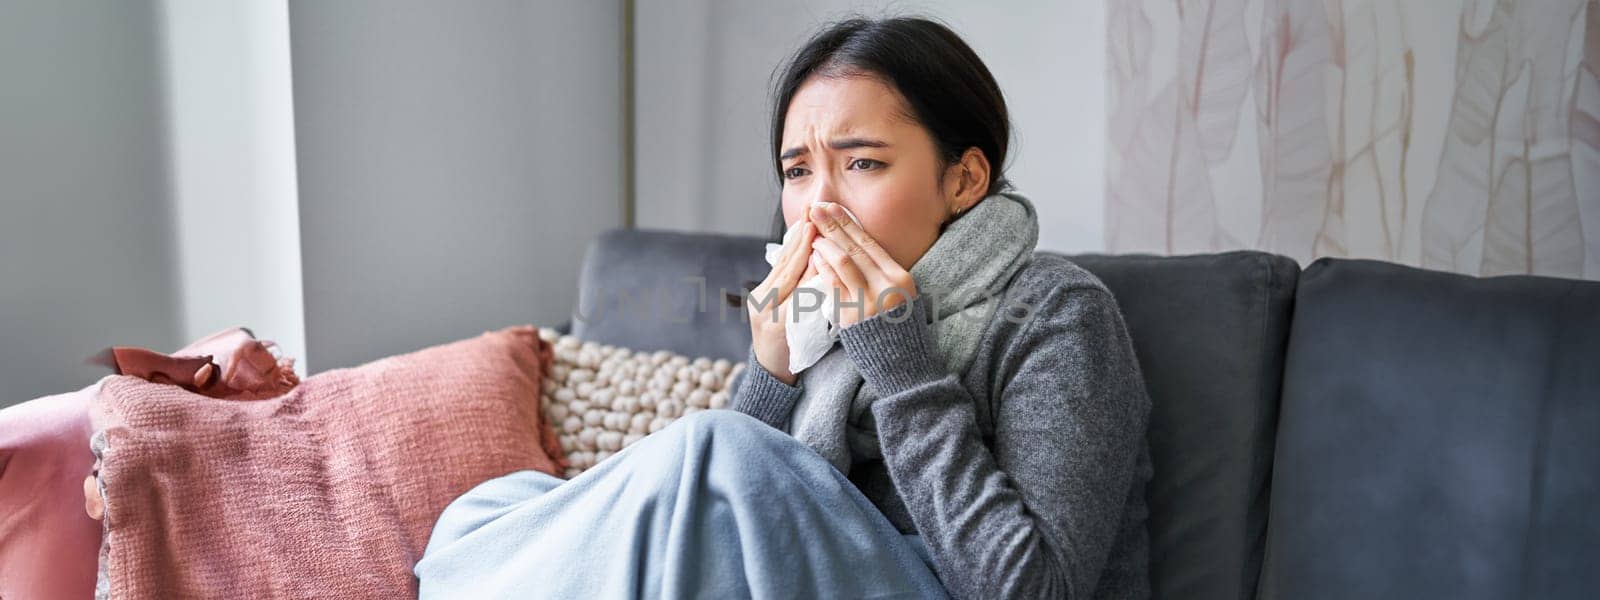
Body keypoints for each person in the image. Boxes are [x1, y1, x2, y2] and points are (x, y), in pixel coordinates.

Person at [416, 17, 1151, 599]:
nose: (820, 202)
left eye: (862, 162)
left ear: (963, 180)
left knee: (720, 449)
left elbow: (1031, 588)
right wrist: (771, 370)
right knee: (486, 511)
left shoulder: (1057, 312)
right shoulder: (817, 318)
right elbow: (726, 528)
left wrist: (904, 369)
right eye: (798, 170)